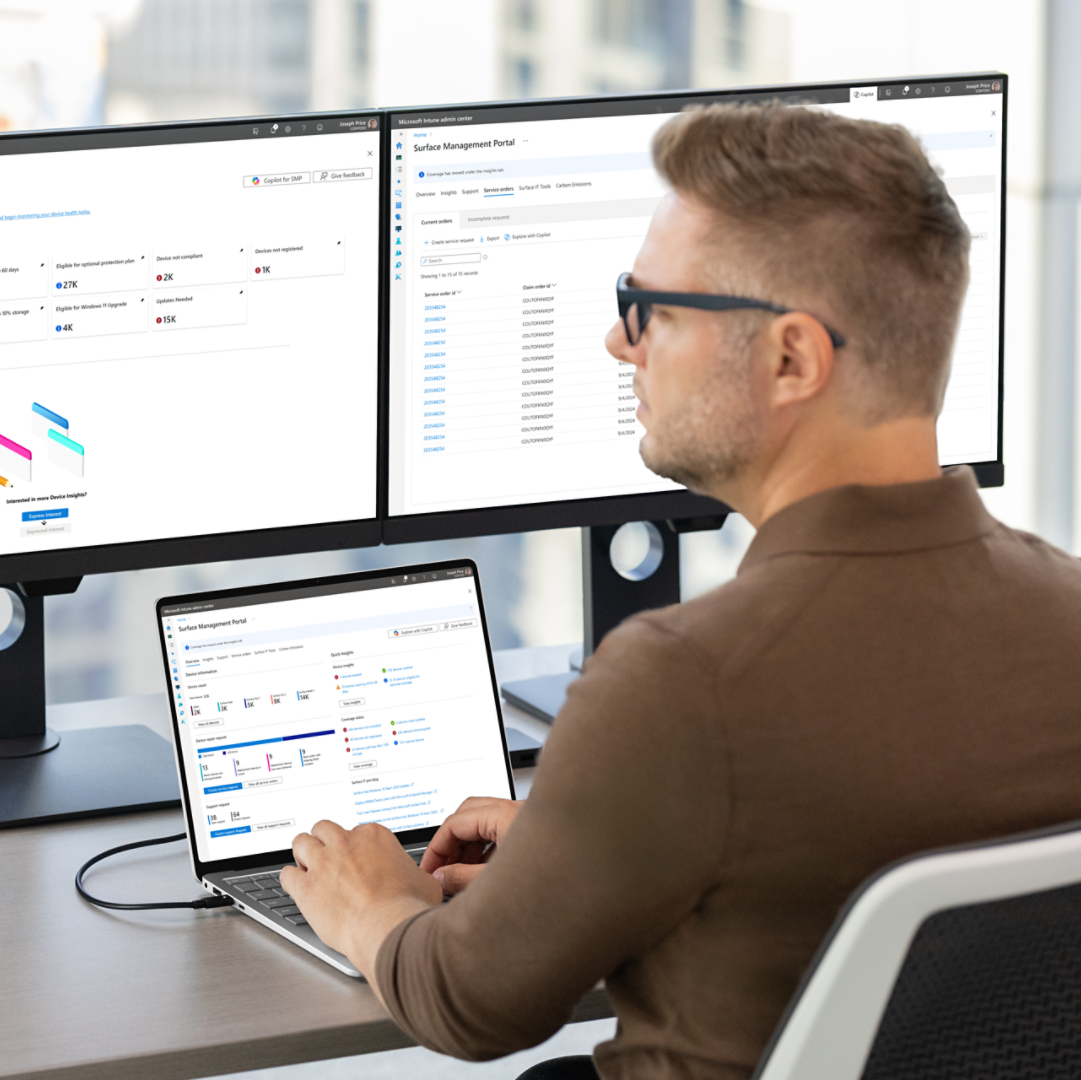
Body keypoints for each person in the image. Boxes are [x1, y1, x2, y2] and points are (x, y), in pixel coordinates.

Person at [279, 101, 1081, 1079]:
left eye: (649, 307)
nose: (621, 345)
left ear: (791, 358)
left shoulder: (683, 684)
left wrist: (376, 906)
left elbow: (470, 1002)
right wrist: (581, 842)